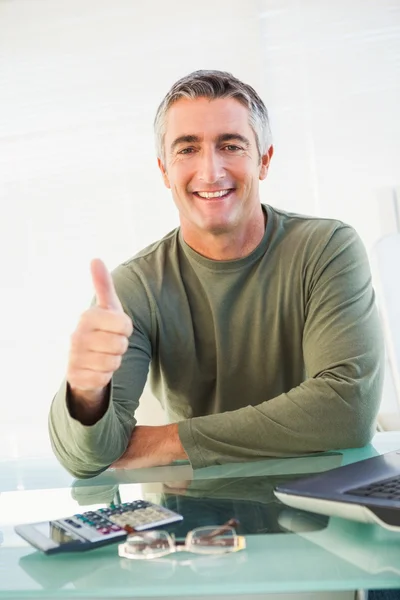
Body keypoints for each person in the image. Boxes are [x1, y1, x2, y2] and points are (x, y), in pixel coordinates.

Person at [49, 69, 385, 480]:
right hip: (195, 522)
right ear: (164, 170)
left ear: (264, 160)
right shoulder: (134, 287)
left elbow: (346, 411)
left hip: (325, 506)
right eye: (187, 149)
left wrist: (171, 440)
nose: (210, 171)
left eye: (230, 145)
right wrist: (85, 394)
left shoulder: (326, 248)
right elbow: (88, 459)